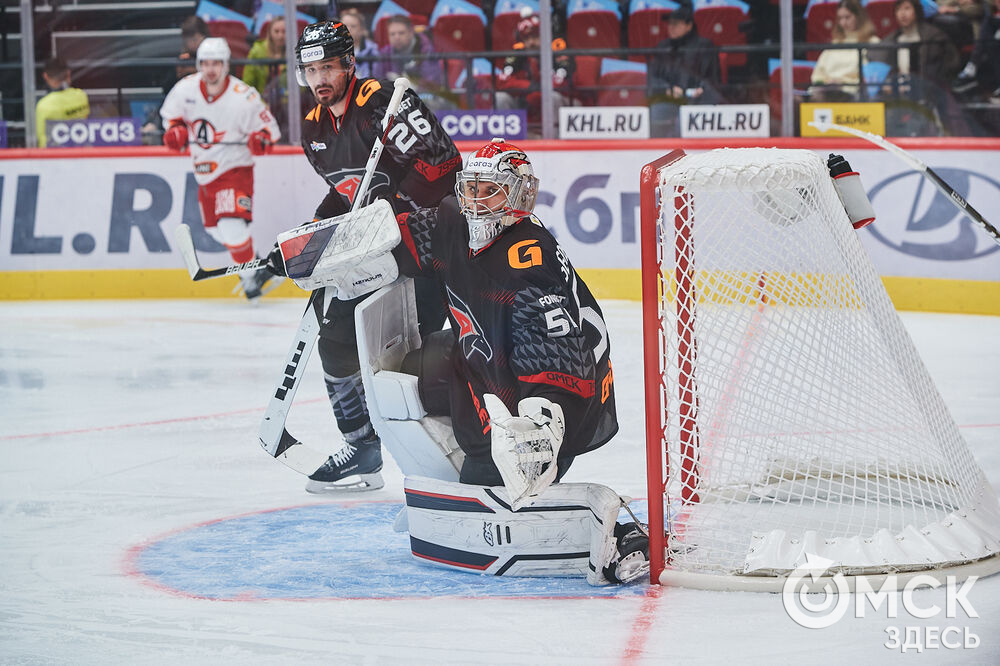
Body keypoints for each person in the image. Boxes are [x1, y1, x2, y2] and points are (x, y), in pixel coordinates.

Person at [284, 20, 460, 493]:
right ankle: (361, 447)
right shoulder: (313, 128)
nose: (319, 79)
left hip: (425, 251)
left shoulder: (382, 102)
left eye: (327, 67)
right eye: (311, 70)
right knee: (335, 336)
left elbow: (445, 164)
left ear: (349, 64)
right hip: (373, 253)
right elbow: (345, 195)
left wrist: (393, 201)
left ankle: (451, 454)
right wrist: (311, 234)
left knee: (417, 357)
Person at [391, 138, 619, 489]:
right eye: (472, 189)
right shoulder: (453, 220)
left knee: (486, 473)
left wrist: (540, 421)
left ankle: (512, 462)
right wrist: (335, 246)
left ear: (519, 196)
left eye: (491, 191)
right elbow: (394, 236)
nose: (477, 201)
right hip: (488, 358)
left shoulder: (527, 259)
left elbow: (551, 345)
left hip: (541, 398)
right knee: (402, 375)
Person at [159, 37, 282, 301]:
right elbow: (170, 118)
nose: (210, 69)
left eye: (216, 63)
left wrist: (261, 140)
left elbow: (270, 131)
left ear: (226, 65)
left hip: (235, 168)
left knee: (231, 225)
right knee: (216, 230)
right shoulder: (185, 89)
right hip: (204, 173)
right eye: (205, 63)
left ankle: (251, 279)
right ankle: (259, 268)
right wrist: (175, 131)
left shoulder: (244, 96)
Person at [495, 12, 576, 134]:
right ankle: (506, 142)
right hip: (527, 100)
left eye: (535, 36)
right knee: (500, 98)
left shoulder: (558, 46)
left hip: (564, 101)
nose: (531, 42)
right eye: (526, 38)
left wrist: (536, 93)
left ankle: (554, 142)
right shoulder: (519, 51)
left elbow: (562, 83)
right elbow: (502, 82)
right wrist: (529, 87)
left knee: (552, 97)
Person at [648, 4, 722, 136]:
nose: (671, 27)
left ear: (689, 26)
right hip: (670, 98)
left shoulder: (705, 45)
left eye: (675, 24)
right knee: (655, 112)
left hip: (698, 100)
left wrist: (702, 89)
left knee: (685, 122)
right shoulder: (663, 47)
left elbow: (713, 77)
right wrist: (667, 89)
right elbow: (653, 77)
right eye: (669, 24)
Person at [809, 0, 881, 102]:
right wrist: (825, 84)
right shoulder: (835, 44)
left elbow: (872, 76)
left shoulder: (872, 42)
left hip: (854, 94)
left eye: (847, 17)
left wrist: (842, 84)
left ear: (859, 17)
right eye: (840, 18)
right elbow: (818, 75)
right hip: (827, 92)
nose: (843, 23)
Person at [372, 15, 448, 110]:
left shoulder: (427, 51)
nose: (396, 37)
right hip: (393, 103)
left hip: (424, 101)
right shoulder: (384, 54)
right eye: (392, 34)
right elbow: (377, 83)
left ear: (411, 33)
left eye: (401, 33)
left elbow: (431, 84)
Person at [35, 57, 89, 148]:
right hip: (81, 150)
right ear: (68, 73)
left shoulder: (43, 105)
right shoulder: (81, 96)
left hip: (56, 154)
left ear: (45, 76)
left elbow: (42, 141)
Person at [243, 15, 287, 96]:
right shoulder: (257, 51)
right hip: (259, 99)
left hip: (287, 100)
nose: (280, 36)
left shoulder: (295, 52)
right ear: (270, 32)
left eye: (284, 31)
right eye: (276, 31)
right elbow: (247, 83)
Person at [338, 8, 378, 79]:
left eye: (353, 26)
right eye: (345, 26)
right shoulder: (334, 50)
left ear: (362, 29)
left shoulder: (372, 50)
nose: (348, 29)